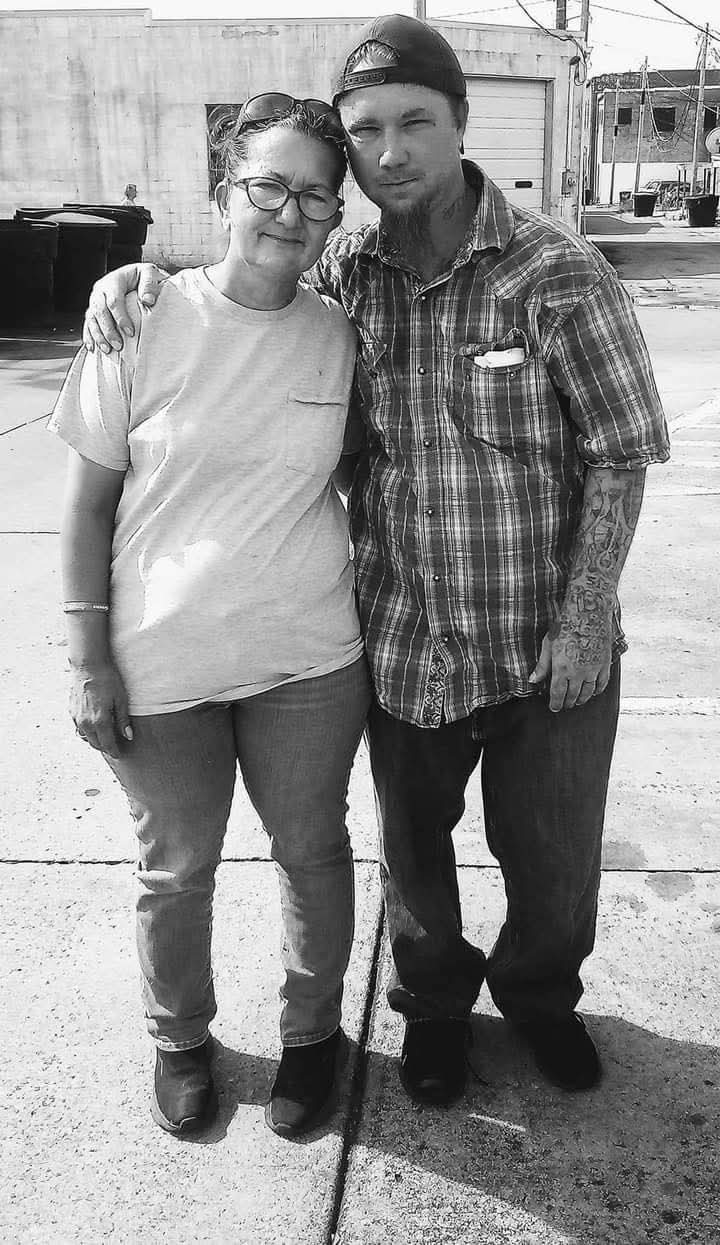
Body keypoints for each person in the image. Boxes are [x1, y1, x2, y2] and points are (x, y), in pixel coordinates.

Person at [83, 15, 670, 1108]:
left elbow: (622, 449)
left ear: (460, 123)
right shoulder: (350, 277)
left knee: (554, 859)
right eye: (365, 131)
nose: (389, 151)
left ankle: (541, 999)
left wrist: (588, 616)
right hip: (404, 639)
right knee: (414, 859)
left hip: (546, 641)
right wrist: (129, 280)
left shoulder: (557, 271)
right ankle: (434, 1011)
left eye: (415, 122)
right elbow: (244, 305)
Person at [50, 96, 372, 1140]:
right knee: (176, 868)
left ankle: (314, 1035)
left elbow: (360, 471)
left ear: (336, 218)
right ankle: (181, 1039)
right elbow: (85, 506)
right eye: (268, 185)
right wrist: (88, 658)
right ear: (224, 191)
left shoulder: (340, 336)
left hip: (308, 660)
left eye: (316, 196)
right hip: (162, 662)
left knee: (312, 850)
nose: (289, 212)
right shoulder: (139, 319)